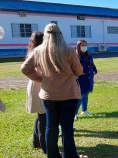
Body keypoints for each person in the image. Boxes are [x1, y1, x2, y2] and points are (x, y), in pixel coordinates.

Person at [21, 23, 85, 158]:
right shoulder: (68, 50)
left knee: (51, 127)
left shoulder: (38, 51)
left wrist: (39, 78)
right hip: (69, 94)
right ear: (60, 34)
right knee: (67, 128)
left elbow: (25, 68)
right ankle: (70, 156)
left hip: (49, 95)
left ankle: (52, 156)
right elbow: (79, 71)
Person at [25, 31, 46, 154]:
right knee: (43, 116)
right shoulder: (38, 52)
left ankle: (36, 141)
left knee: (40, 115)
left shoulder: (32, 51)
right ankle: (45, 146)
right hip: (39, 84)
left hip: (34, 84)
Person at [75, 40, 97, 120]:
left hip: (89, 79)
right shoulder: (76, 56)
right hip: (81, 79)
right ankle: (75, 113)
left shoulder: (89, 56)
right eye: (82, 45)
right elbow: (74, 67)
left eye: (85, 45)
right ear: (78, 46)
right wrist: (79, 73)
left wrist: (94, 70)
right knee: (80, 96)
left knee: (86, 95)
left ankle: (84, 110)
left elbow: (92, 65)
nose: (84, 47)